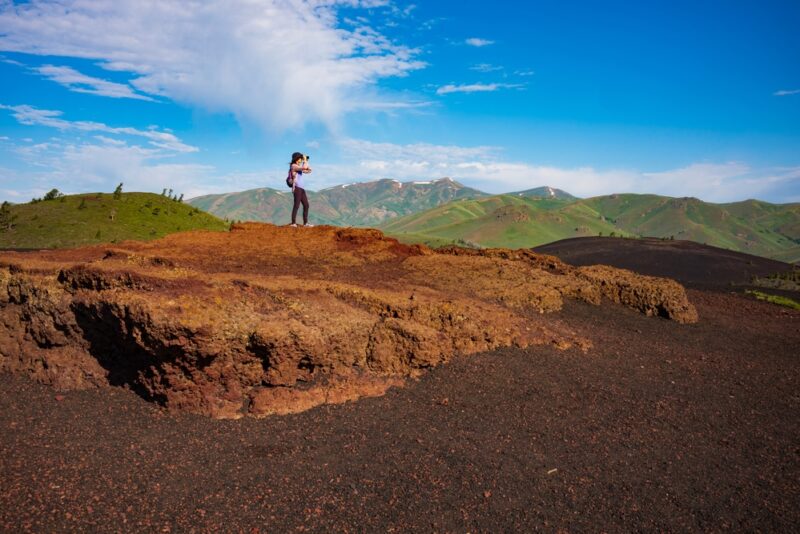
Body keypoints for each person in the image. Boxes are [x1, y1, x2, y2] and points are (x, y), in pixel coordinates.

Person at [289, 152, 313, 227]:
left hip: (302, 188)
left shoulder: (298, 167)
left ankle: (305, 223)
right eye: (300, 158)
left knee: (306, 205)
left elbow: (308, 171)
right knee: (297, 205)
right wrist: (305, 161)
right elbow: (304, 168)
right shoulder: (293, 166)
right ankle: (293, 223)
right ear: (296, 158)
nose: (301, 159)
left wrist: (307, 164)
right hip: (297, 188)